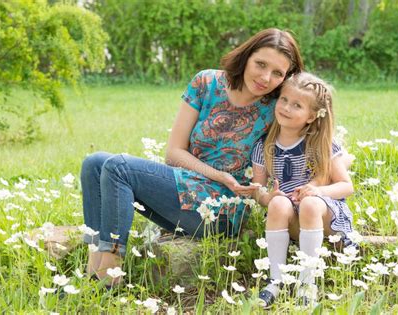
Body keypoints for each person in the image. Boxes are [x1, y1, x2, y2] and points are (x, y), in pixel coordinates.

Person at [81, 28, 304, 286]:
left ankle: (110, 272)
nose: (266, 78)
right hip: (184, 182)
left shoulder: (277, 106)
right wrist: (217, 174)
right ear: (246, 56)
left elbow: (315, 121)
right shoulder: (206, 83)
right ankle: (94, 264)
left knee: (118, 167)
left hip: (222, 208)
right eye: (261, 64)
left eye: (278, 73)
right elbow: (174, 152)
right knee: (95, 163)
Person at [251, 72, 355, 308]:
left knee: (309, 203)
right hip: (291, 218)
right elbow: (258, 190)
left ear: (311, 117)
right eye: (284, 100)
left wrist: (319, 191)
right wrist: (268, 197)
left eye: (296, 105)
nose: (286, 107)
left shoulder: (320, 144)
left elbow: (346, 186)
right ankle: (276, 280)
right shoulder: (264, 146)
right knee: (278, 203)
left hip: (322, 214)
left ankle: (308, 282)